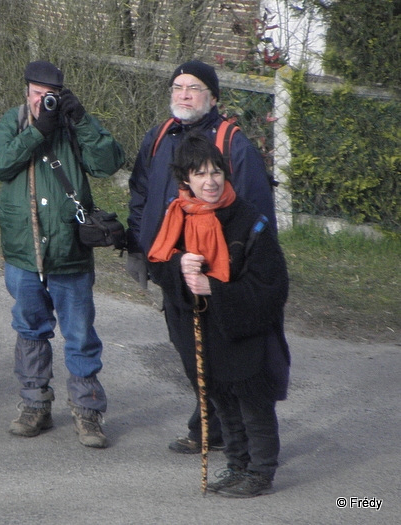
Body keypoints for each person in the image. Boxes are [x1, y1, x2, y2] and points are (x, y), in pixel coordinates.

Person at [126, 60, 277, 454]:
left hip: (218, 275)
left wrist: (238, 271)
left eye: (193, 87)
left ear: (213, 96)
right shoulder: (159, 137)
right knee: (189, 352)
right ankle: (212, 424)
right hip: (172, 268)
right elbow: (141, 194)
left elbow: (257, 215)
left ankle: (236, 439)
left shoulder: (232, 143)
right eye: (178, 87)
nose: (184, 94)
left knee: (220, 355)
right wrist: (141, 246)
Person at [0, 60, 125, 448]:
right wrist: (37, 133)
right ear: (26, 92)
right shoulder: (10, 124)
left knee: (79, 335)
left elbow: (108, 162)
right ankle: (35, 406)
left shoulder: (74, 124)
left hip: (70, 251)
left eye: (49, 96)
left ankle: (88, 411)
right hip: (24, 252)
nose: (41, 102)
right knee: (30, 329)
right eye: (35, 94)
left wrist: (81, 120)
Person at [147, 133, 289, 497]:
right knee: (222, 399)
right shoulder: (176, 216)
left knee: (252, 402)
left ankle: (260, 472)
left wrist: (217, 290)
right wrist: (180, 265)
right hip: (205, 331)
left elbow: (271, 286)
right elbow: (159, 267)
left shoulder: (249, 221)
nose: (210, 182)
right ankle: (237, 465)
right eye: (200, 175)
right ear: (186, 182)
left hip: (246, 330)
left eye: (216, 173)